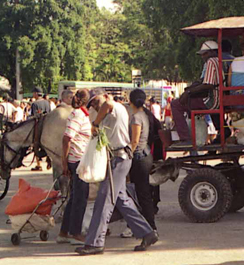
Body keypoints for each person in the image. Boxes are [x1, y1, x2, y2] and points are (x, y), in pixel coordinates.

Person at [76, 95, 158, 255]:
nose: (95, 105)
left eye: (95, 101)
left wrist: (95, 124)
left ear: (105, 96)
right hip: (118, 158)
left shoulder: (113, 107)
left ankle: (95, 243)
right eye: (92, 104)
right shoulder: (111, 112)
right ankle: (147, 233)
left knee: (104, 199)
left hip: (120, 159)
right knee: (122, 201)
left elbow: (107, 104)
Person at [172, 41, 223, 146]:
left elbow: (207, 84)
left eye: (205, 54)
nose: (203, 57)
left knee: (176, 104)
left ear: (212, 52)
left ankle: (185, 139)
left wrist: (188, 92)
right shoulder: (221, 61)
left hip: (211, 101)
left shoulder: (211, 62)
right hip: (218, 98)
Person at [57, 89, 91, 245]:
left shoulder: (80, 114)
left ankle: (64, 231)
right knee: (80, 197)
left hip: (77, 159)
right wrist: (64, 162)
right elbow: (67, 139)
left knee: (75, 196)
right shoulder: (78, 115)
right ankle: (75, 232)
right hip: (78, 160)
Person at [127, 89, 157, 233]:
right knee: (143, 193)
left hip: (139, 158)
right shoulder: (145, 115)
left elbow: (134, 141)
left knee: (140, 193)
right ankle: (148, 225)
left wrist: (127, 155)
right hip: (146, 155)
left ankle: (149, 226)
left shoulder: (136, 118)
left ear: (130, 101)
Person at [31, 86, 51, 171]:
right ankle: (49, 161)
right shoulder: (47, 102)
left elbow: (33, 117)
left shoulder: (35, 104)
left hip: (38, 127)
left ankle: (38, 164)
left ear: (36, 93)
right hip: (48, 126)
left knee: (35, 144)